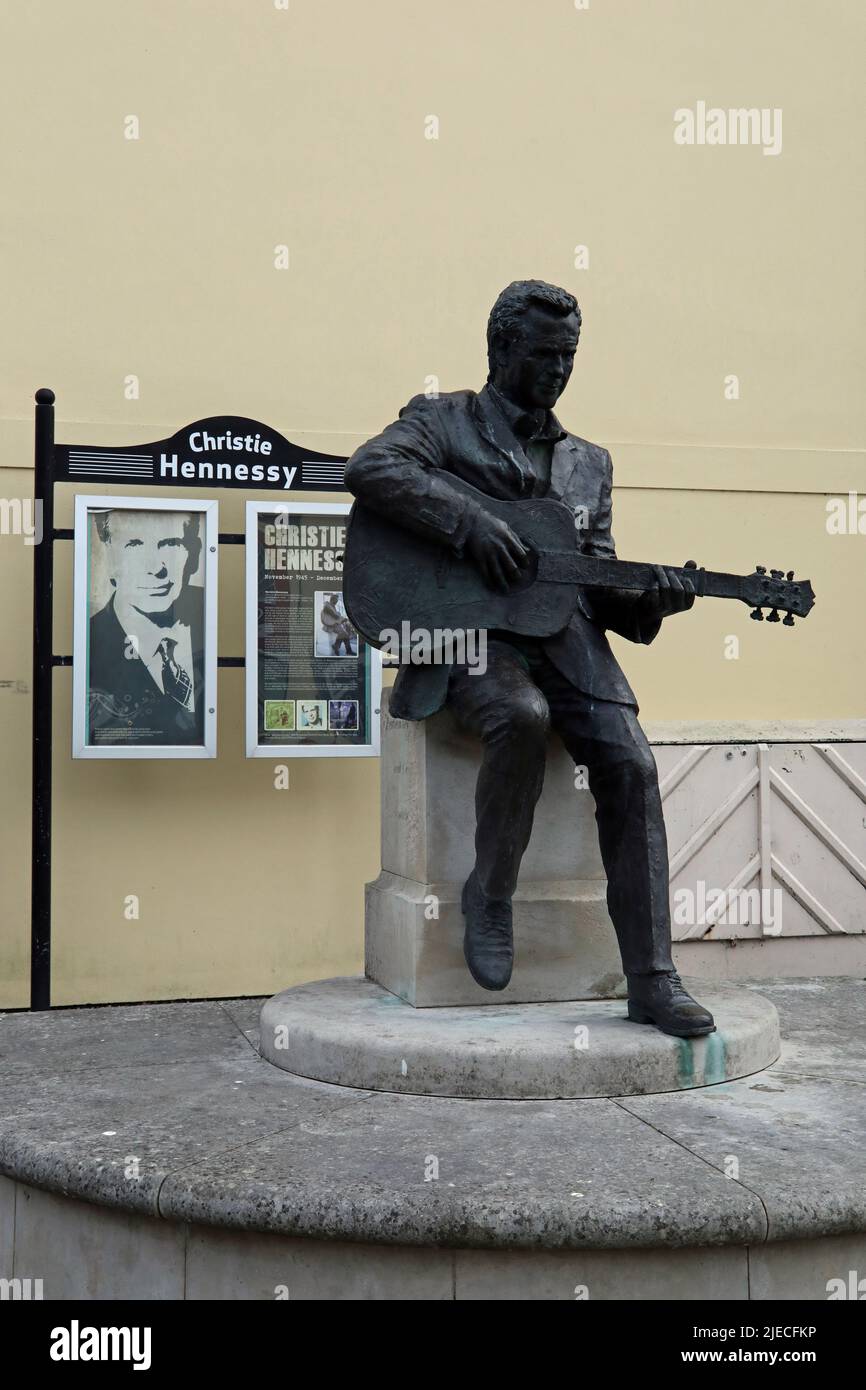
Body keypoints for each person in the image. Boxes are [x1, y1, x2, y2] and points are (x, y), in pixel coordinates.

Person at [344, 280, 714, 1038]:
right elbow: (371, 469)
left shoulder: (589, 464)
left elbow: (597, 576)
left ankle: (651, 978)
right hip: (470, 640)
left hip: (572, 643)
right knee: (519, 713)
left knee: (632, 765)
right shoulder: (444, 420)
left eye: (570, 356)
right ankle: (490, 892)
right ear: (503, 348)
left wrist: (653, 600)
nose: (559, 369)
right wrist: (469, 524)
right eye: (545, 353)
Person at [88, 508, 204, 745]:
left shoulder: (219, 616)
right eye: (135, 545)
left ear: (194, 554)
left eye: (171, 543)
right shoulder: (89, 642)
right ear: (108, 556)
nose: (156, 568)